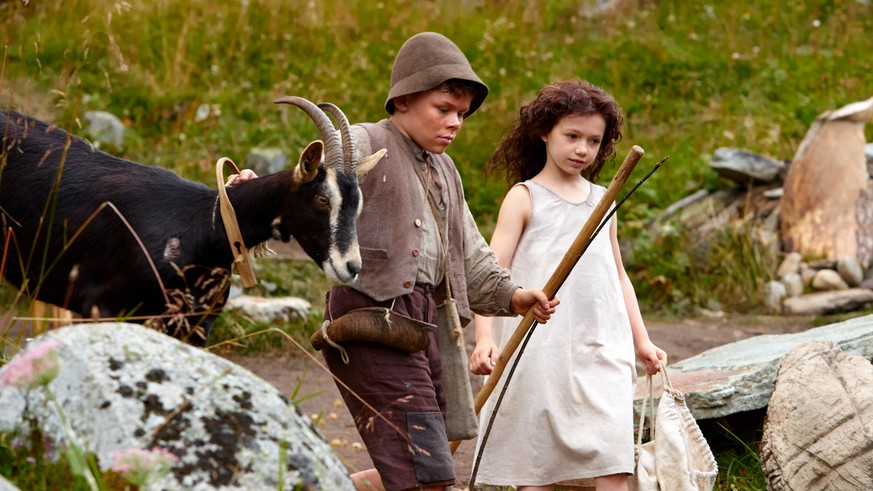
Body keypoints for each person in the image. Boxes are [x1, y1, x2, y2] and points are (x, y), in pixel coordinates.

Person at [317, 32, 560, 491]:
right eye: (443, 109)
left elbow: (469, 254)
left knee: (416, 472)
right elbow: (306, 194)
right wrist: (260, 190)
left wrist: (513, 295)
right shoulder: (363, 142)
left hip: (429, 327)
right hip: (370, 321)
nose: (454, 123)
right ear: (404, 99)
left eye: (462, 115)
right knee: (426, 473)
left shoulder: (445, 170)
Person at [467, 79, 667, 491]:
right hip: (540, 349)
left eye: (593, 141)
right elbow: (490, 273)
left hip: (601, 345)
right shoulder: (524, 197)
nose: (582, 149)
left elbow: (618, 276)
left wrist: (641, 341)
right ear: (544, 132)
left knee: (613, 457)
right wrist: (484, 337)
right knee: (535, 462)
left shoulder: (603, 200)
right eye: (571, 136)